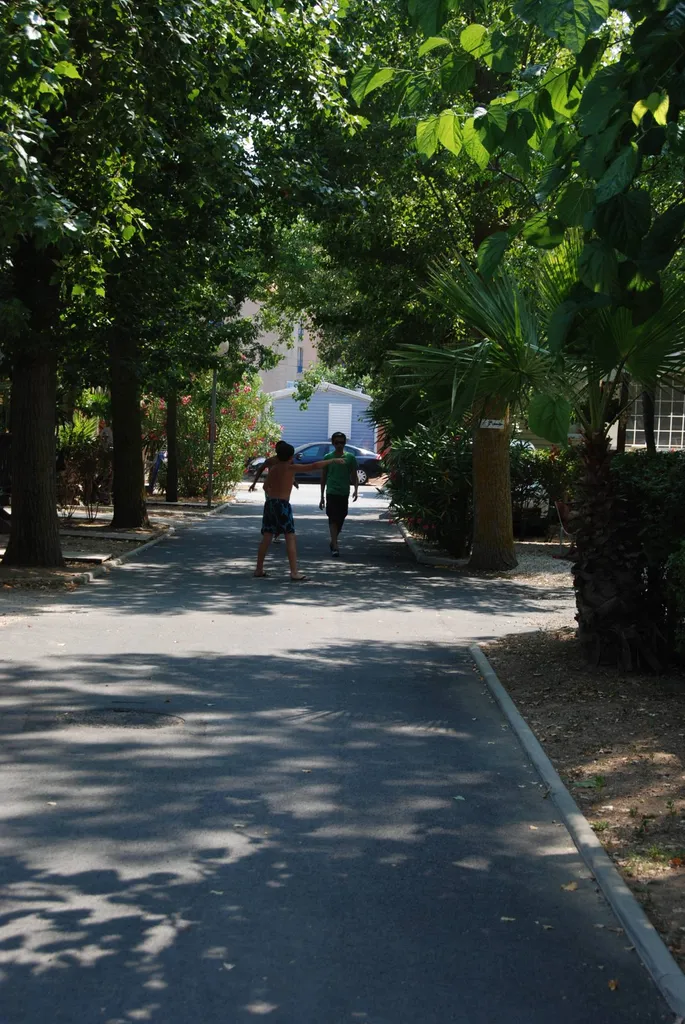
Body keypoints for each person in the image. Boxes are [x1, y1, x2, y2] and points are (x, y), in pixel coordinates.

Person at [252, 440, 345, 580]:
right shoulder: (291, 468)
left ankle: (259, 569)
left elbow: (265, 487)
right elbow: (314, 466)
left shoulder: (275, 468)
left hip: (270, 503)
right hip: (283, 505)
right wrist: (332, 461)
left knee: (267, 536)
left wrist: (274, 493)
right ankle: (294, 572)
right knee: (290, 536)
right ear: (290, 457)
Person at [319, 431, 358, 557]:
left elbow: (354, 475)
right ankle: (335, 545)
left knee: (341, 517)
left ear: (345, 443)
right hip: (331, 492)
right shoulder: (328, 457)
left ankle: (333, 540)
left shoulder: (350, 458)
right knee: (332, 517)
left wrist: (356, 490)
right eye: (337, 442)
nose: (339, 445)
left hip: (344, 492)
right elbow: (323, 477)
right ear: (333, 443)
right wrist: (321, 496)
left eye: (342, 442)